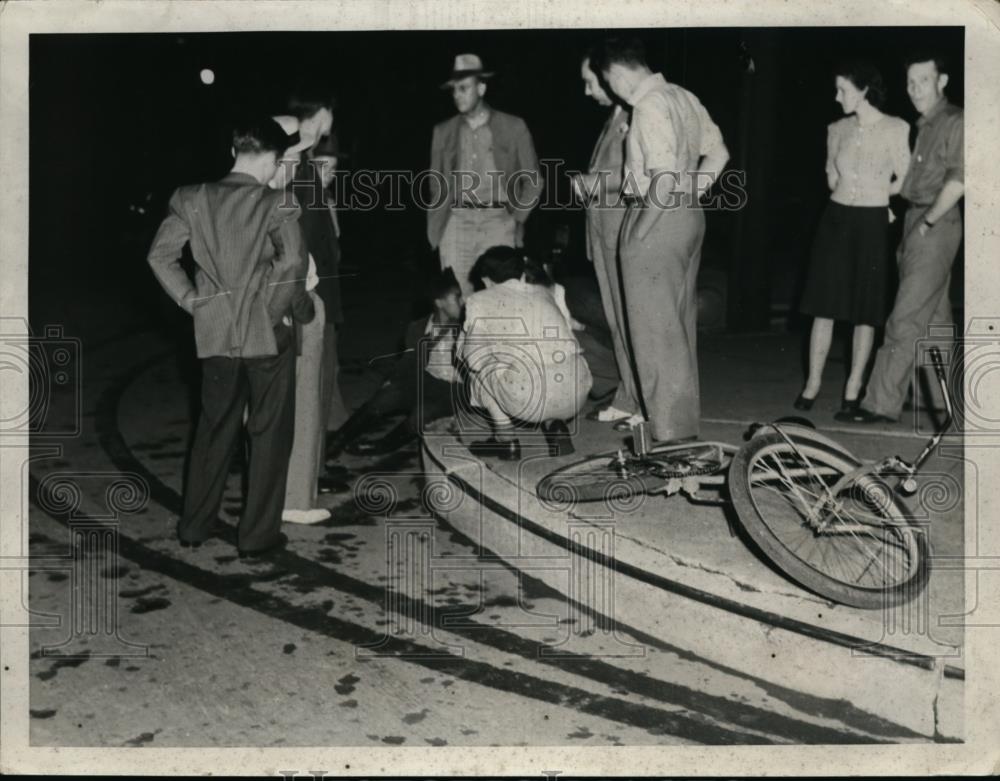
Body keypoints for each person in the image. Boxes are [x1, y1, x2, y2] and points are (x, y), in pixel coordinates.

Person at [146, 117, 313, 557]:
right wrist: (268, 314)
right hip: (267, 338)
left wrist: (191, 302)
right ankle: (257, 537)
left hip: (215, 336)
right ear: (275, 160)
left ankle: (194, 527)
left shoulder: (192, 198)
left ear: (233, 151)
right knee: (268, 435)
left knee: (213, 430)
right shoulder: (279, 202)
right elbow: (292, 264)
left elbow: (160, 256)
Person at [592, 37, 729, 443]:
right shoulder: (683, 96)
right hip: (688, 217)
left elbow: (663, 177)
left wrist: (640, 230)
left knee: (653, 334)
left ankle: (668, 438)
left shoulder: (647, 106)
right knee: (678, 327)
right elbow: (719, 153)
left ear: (615, 74)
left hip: (656, 217)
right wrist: (691, 194)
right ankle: (681, 428)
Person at [839, 54, 963, 424]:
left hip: (932, 221)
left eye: (923, 81)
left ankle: (879, 403)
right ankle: (939, 402)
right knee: (935, 317)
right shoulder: (928, 124)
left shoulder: (954, 121)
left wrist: (926, 223)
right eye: (910, 82)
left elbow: (959, 180)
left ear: (942, 81)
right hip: (919, 219)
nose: (914, 90)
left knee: (904, 318)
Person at [796, 61, 910, 415]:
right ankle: (812, 384)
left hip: (872, 222)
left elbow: (905, 179)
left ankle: (853, 388)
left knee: (866, 309)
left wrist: (880, 200)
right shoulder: (836, 129)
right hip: (836, 219)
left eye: (842, 89)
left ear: (863, 91)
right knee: (823, 306)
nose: (836, 96)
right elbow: (832, 176)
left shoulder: (896, 127)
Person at [459, 246, 593, 460]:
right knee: (547, 356)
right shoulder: (543, 292)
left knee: (472, 355)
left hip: (527, 398)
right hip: (577, 390)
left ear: (485, 279)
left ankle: (506, 439)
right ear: (522, 273)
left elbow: (474, 361)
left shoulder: (479, 300)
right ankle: (555, 425)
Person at [427, 53, 543, 299]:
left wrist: (518, 220)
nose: (457, 94)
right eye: (454, 90)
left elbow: (533, 181)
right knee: (458, 300)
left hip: (498, 221)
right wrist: (439, 227)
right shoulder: (443, 131)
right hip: (457, 223)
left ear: (481, 87)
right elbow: (435, 183)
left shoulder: (513, 127)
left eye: (464, 88)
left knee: (502, 297)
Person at [326, 268, 465, 457]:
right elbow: (408, 363)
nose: (462, 301)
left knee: (421, 414)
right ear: (439, 302)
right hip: (426, 381)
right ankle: (335, 443)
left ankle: (382, 446)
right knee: (385, 397)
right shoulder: (419, 327)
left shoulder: (465, 328)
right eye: (456, 297)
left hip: (452, 390)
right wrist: (391, 382)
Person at [572, 50, 637, 424]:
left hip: (619, 233)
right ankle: (628, 396)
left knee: (628, 323)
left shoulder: (633, 117)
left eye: (590, 82)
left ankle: (635, 400)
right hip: (602, 233)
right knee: (618, 323)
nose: (586, 90)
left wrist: (590, 182)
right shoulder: (614, 119)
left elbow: (636, 174)